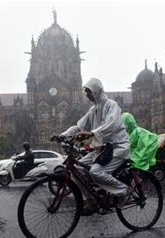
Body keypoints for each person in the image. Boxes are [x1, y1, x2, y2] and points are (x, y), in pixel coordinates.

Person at [53, 78, 131, 210]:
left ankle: (123, 190)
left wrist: (91, 133)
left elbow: (111, 124)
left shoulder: (111, 105)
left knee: (96, 172)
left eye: (89, 91)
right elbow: (79, 126)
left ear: (97, 90)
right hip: (101, 150)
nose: (87, 94)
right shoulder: (93, 110)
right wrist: (63, 135)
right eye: (86, 92)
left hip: (117, 147)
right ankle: (90, 199)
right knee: (76, 170)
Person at [121, 112, 158, 188]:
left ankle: (135, 190)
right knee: (132, 174)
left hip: (138, 155)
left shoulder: (136, 132)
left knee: (133, 171)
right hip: (137, 154)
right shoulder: (132, 133)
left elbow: (141, 145)